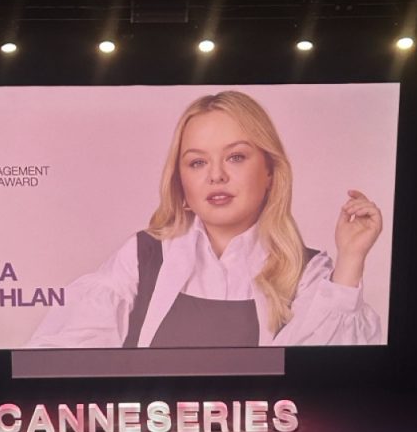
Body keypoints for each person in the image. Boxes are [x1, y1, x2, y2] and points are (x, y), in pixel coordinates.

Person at [28, 90, 383, 348]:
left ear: (270, 171)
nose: (216, 176)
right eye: (197, 162)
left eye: (236, 157)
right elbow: (63, 359)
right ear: (180, 180)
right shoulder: (142, 257)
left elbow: (321, 382)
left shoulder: (308, 272)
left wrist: (351, 258)